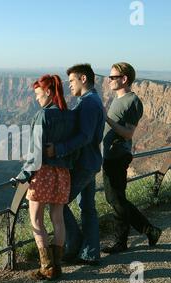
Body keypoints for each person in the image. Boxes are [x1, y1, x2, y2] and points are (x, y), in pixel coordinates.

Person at [14, 74, 80, 280]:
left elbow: (35, 152)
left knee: (36, 219)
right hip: (63, 173)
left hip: (42, 173)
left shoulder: (43, 116)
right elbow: (75, 147)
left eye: (38, 94)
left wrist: (23, 175)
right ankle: (57, 265)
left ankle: (47, 267)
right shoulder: (69, 115)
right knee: (57, 219)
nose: (36, 98)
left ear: (49, 92)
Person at [46, 64, 105, 265]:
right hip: (92, 162)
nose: (69, 85)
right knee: (87, 208)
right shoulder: (93, 100)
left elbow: (85, 137)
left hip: (84, 164)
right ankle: (90, 253)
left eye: (71, 81)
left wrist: (59, 149)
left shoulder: (88, 103)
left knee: (57, 203)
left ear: (83, 79)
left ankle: (75, 242)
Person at [102, 62, 162, 254]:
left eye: (113, 77)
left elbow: (128, 133)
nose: (109, 80)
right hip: (110, 154)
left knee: (115, 199)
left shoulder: (132, 101)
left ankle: (149, 230)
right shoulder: (118, 99)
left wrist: (106, 119)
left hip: (118, 156)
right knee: (117, 198)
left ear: (124, 79)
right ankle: (122, 241)